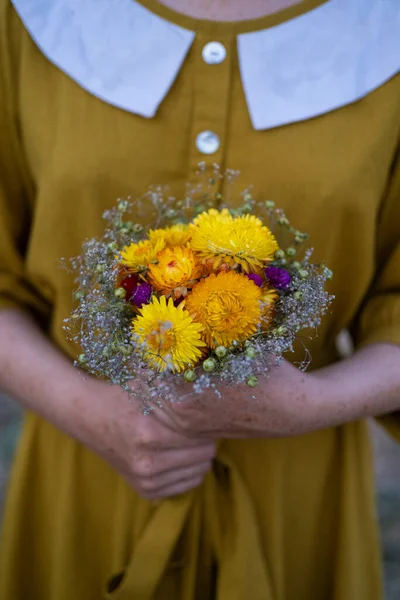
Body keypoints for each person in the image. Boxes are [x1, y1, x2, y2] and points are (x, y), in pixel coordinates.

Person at [0, 0, 399, 598]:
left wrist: (312, 404)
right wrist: (92, 414)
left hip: (297, 490)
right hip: (83, 473)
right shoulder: (32, 17)